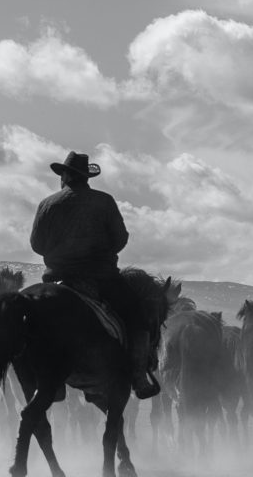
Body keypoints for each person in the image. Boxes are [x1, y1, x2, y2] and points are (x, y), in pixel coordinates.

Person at [29, 151, 160, 399]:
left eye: (62, 174)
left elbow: (36, 244)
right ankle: (139, 377)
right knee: (137, 315)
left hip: (57, 277)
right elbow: (120, 238)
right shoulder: (104, 201)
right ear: (86, 177)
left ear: (66, 176)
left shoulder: (47, 204)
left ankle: (46, 380)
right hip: (100, 278)